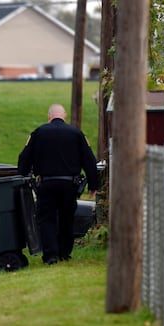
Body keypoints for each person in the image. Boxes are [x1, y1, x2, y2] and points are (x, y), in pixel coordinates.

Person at [17, 104, 99, 265]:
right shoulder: (76, 134)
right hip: (70, 185)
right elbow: (89, 160)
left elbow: (24, 158)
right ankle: (64, 253)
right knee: (67, 218)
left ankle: (50, 256)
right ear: (65, 116)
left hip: (46, 184)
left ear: (49, 116)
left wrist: (22, 177)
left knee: (47, 219)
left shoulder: (38, 133)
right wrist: (93, 185)